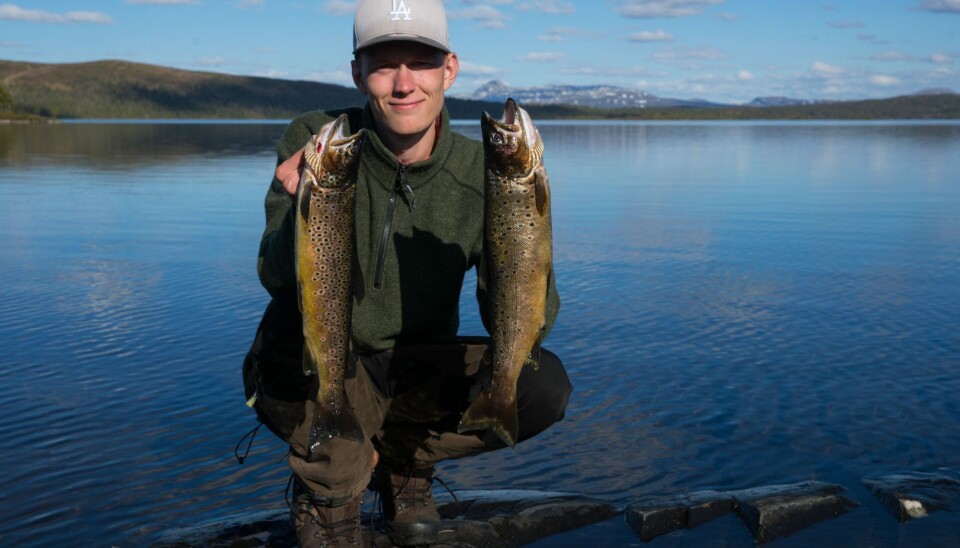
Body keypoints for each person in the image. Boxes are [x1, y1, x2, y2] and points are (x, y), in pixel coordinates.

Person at [242, 0, 572, 545]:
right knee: (280, 338)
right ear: (357, 72)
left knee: (539, 385)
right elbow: (276, 278)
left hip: (418, 367)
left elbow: (532, 317)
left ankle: (404, 462)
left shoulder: (480, 168)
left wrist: (519, 239)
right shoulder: (318, 137)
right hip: (333, 358)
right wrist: (298, 205)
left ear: (450, 69)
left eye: (419, 62)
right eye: (382, 64)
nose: (402, 84)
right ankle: (330, 486)